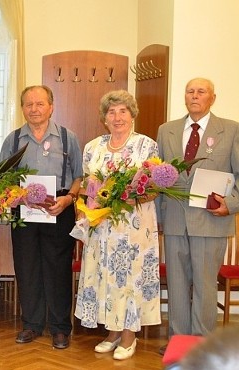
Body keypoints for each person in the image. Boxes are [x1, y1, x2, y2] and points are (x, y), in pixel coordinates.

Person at [74, 90, 161, 360]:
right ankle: (111, 333)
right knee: (104, 277)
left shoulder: (146, 146)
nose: (117, 116)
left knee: (128, 278)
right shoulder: (93, 147)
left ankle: (128, 336)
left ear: (132, 114)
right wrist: (84, 210)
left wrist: (127, 197)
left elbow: (155, 188)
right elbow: (87, 185)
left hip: (134, 227)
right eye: (111, 112)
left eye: (123, 111)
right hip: (101, 227)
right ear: (104, 118)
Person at [156, 78, 239, 354]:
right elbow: (158, 177)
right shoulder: (166, 130)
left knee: (205, 285)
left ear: (212, 98)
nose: (194, 95)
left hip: (211, 219)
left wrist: (231, 203)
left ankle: (202, 345)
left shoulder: (231, 130)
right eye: (190, 91)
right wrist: (159, 216)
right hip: (175, 219)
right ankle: (179, 343)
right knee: (177, 284)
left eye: (201, 91)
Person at [0, 85, 82, 349]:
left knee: (58, 269)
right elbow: (2, 179)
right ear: (22, 108)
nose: (34, 109)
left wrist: (68, 199)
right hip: (23, 211)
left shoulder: (68, 138)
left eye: (40, 104)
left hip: (58, 208)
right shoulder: (13, 140)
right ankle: (32, 324)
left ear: (51, 106)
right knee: (27, 267)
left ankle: (59, 328)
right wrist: (12, 194)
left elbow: (79, 177)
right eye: (29, 104)